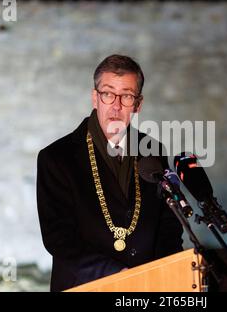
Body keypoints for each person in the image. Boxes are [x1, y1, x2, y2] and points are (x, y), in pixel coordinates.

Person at [36, 54, 184, 292]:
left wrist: (161, 278)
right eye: (108, 93)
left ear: (138, 104)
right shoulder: (56, 158)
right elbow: (59, 239)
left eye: (126, 96)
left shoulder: (153, 150)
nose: (116, 105)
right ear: (95, 98)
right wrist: (118, 276)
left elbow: (169, 228)